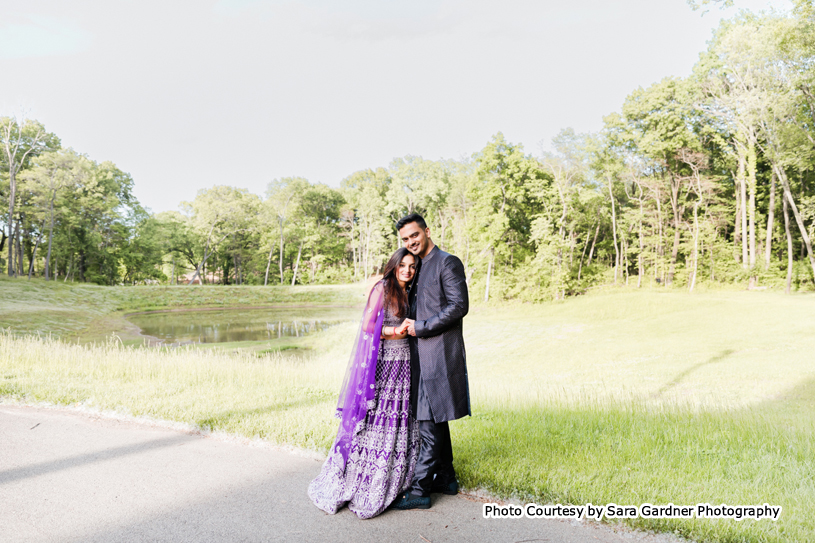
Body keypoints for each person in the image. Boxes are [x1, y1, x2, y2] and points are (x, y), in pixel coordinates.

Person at [308, 248, 419, 519]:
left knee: (402, 418)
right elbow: (368, 327)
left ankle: (401, 475)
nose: (407, 270)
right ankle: (366, 476)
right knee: (378, 416)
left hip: (406, 362)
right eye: (402, 265)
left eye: (412, 266)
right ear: (393, 266)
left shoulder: (412, 290)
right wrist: (393, 331)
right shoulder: (383, 288)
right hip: (385, 363)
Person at [391, 213, 470, 511]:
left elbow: (459, 306)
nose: (410, 242)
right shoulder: (419, 266)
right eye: (405, 239)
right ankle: (446, 478)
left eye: (414, 235)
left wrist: (420, 327)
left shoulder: (447, 262)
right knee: (436, 417)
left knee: (427, 420)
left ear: (426, 230)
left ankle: (420, 489)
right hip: (419, 356)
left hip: (438, 355)